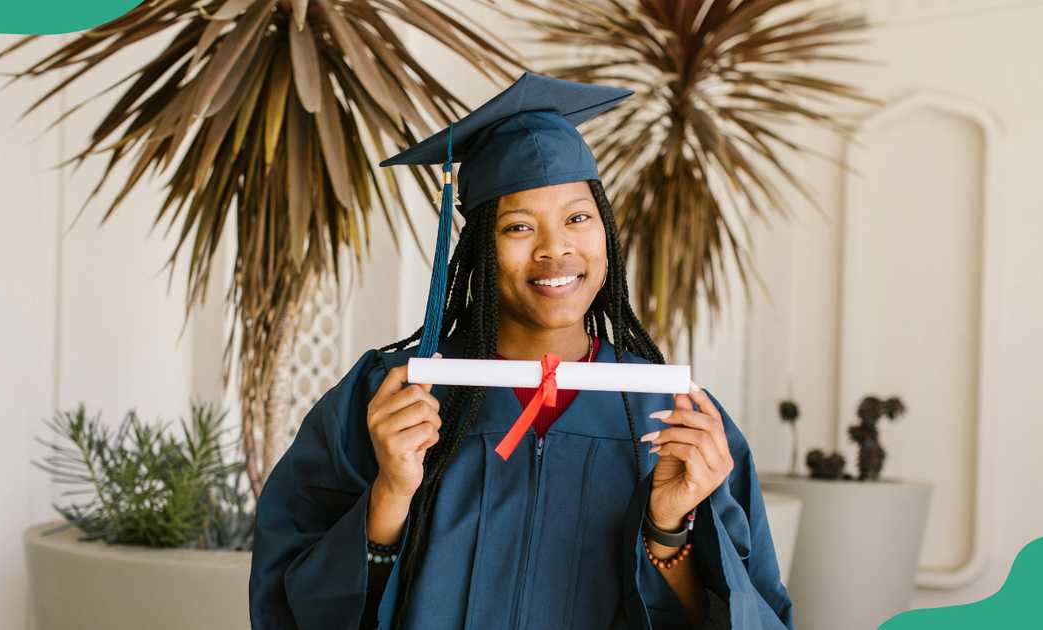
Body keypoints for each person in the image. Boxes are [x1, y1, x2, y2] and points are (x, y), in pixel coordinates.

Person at [249, 72, 794, 630]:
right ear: (481, 246)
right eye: (517, 226)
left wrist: (669, 527)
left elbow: (748, 615)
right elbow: (289, 606)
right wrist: (390, 495)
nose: (555, 247)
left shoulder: (675, 416)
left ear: (605, 230)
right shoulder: (391, 396)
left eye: (578, 218)